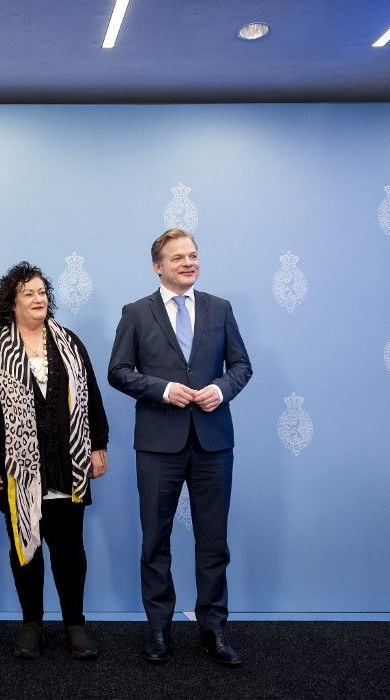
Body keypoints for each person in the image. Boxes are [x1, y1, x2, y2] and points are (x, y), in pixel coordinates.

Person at [107, 228, 252, 667]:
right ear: (157, 265)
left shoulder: (219, 309)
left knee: (214, 542)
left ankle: (213, 629)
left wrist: (222, 390)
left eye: (193, 255)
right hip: (157, 445)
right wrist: (163, 389)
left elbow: (242, 365)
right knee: (155, 541)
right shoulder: (136, 312)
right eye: (178, 258)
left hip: (213, 444)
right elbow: (118, 371)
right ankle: (158, 628)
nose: (188, 263)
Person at [0, 262, 108, 660]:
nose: (38, 299)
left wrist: (98, 444)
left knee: (69, 550)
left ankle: (75, 624)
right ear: (11, 302)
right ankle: (31, 625)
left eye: (42, 292)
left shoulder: (70, 342)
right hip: (17, 473)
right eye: (28, 293)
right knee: (24, 550)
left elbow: (91, 394)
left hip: (68, 465)